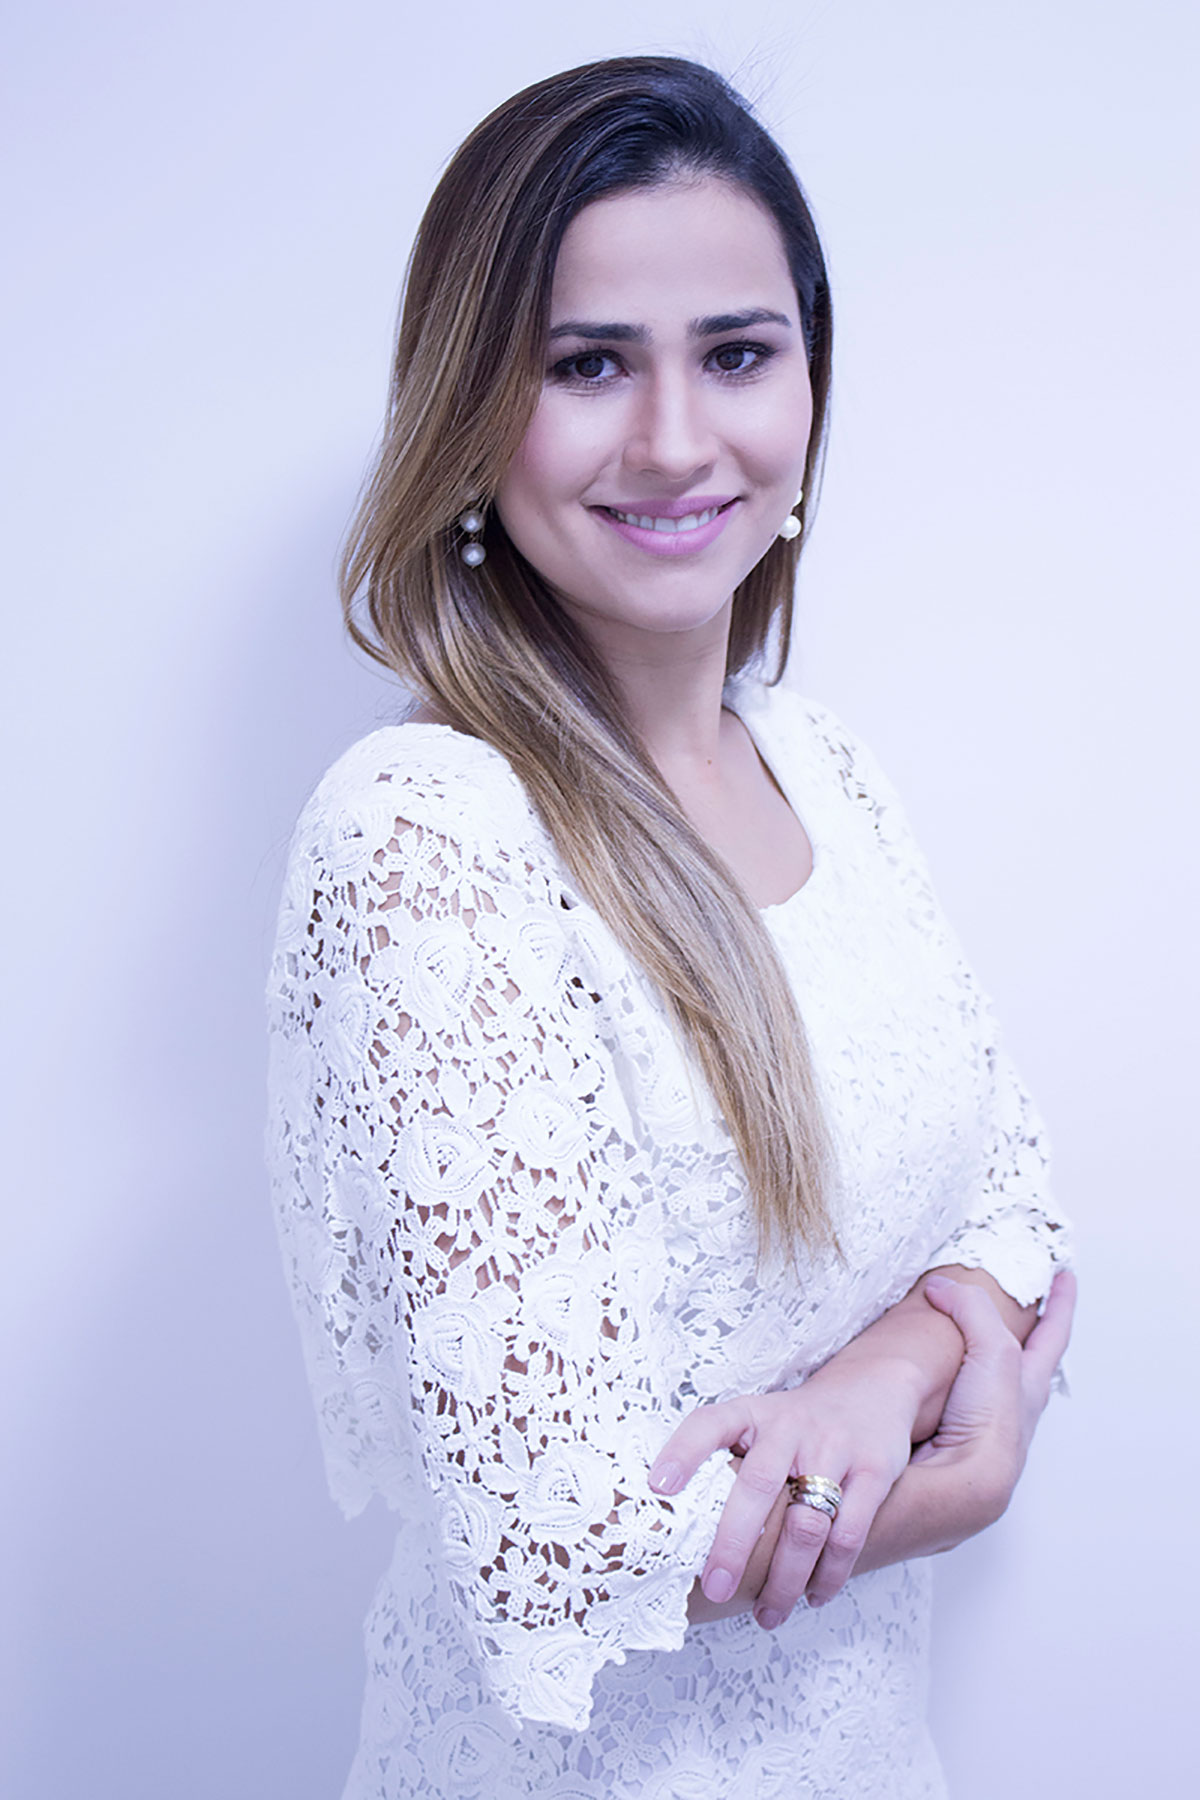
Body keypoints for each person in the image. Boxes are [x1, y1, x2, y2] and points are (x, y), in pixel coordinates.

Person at [266, 55, 1074, 1799]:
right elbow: (548, 1554)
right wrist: (962, 1470)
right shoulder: (428, 835)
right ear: (472, 408)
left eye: (737, 352)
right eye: (587, 365)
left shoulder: (823, 769)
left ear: (811, 381)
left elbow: (1016, 1203)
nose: (677, 440)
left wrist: (887, 1370)